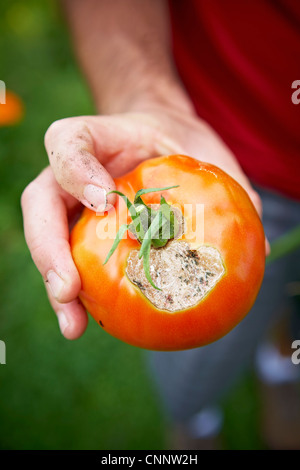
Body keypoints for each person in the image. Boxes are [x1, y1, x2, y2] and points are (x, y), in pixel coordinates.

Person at [21, 0, 300, 449]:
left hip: (225, 183)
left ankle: (281, 366)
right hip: (232, 149)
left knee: (286, 306)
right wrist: (143, 98)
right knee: (199, 360)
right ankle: (192, 417)